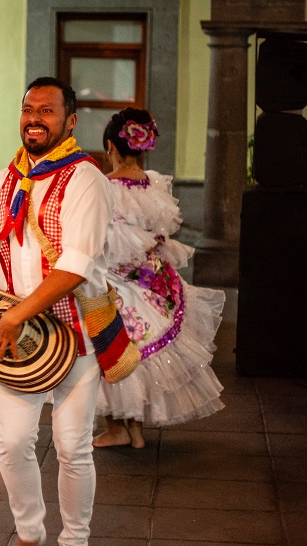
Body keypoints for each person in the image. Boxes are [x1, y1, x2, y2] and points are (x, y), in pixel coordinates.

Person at [0, 77, 113, 546]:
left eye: (46, 110)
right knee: (13, 444)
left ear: (70, 121)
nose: (34, 118)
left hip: (73, 335)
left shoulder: (86, 178)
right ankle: (28, 533)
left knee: (72, 446)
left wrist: (15, 315)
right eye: (28, 109)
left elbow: (75, 266)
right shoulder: (8, 177)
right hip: (18, 342)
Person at [91, 108, 225, 449]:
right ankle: (134, 432)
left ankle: (120, 429)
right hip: (155, 285)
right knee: (141, 355)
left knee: (110, 353)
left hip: (118, 285)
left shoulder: (106, 188)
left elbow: (106, 244)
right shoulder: (153, 183)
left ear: (110, 146)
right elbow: (158, 234)